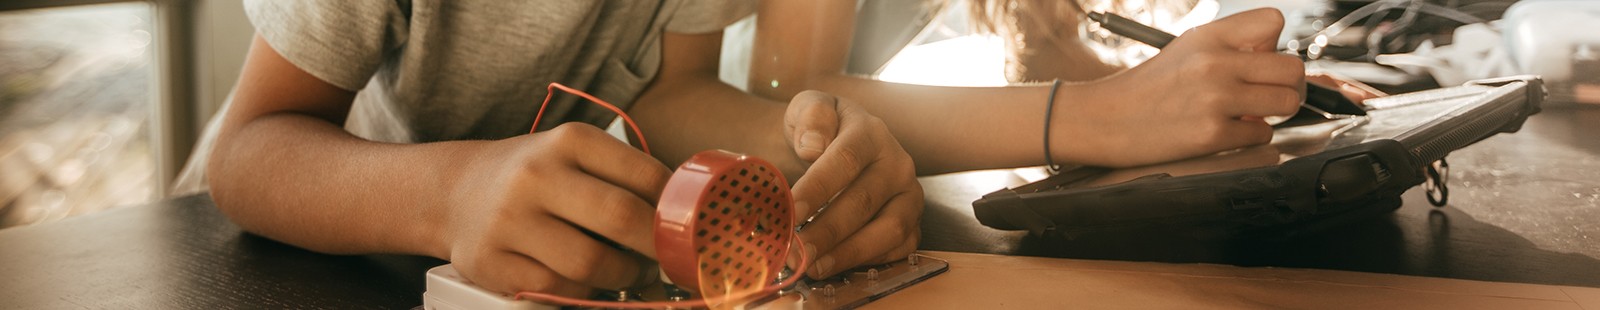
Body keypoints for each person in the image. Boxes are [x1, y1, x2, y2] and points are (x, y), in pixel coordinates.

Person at [199, 0, 922, 298]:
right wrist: (451, 194)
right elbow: (244, 153)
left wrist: (798, 147)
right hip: (278, 254)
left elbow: (677, 88)